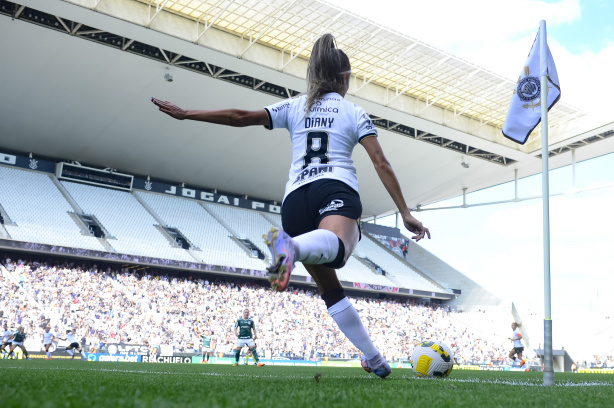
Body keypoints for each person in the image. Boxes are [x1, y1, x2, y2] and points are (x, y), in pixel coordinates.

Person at [151, 33, 430, 379]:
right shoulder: (353, 111)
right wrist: (404, 212)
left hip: (295, 201)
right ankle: (292, 247)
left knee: (331, 289)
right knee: (341, 249)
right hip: (334, 189)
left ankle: (374, 359)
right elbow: (381, 162)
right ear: (344, 79)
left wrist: (188, 113)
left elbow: (240, 116)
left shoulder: (294, 106)